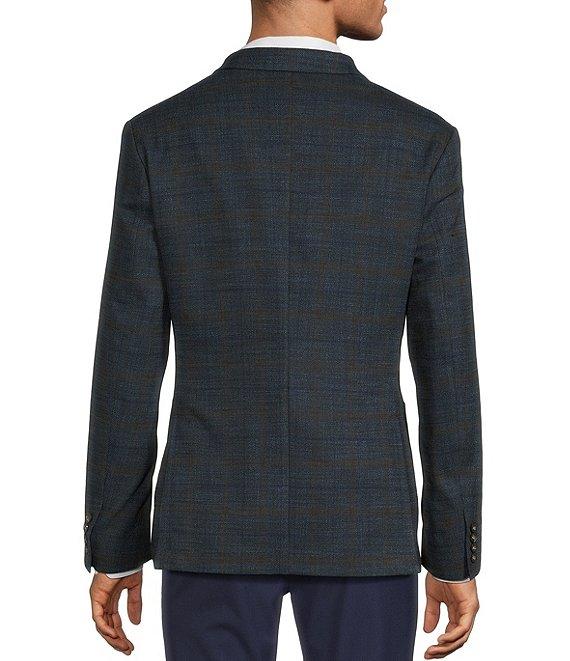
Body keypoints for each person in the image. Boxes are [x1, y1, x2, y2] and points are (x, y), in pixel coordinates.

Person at [85, 1, 482, 658]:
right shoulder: (420, 142)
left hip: (211, 525)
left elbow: (128, 362)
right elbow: (449, 369)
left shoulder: (162, 137)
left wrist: (116, 541)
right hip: (364, 523)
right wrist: (452, 549)